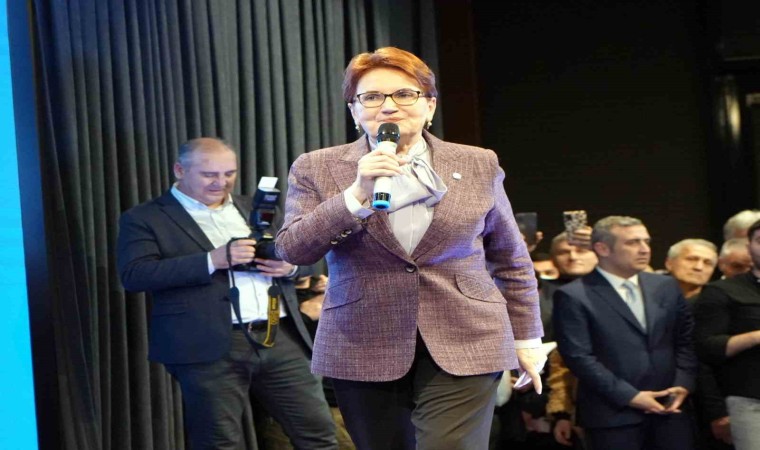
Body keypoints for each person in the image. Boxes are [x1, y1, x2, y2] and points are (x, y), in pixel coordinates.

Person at [275, 47, 544, 450]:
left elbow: (510, 258)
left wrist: (527, 338)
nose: (389, 106)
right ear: (354, 111)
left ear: (429, 105)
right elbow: (292, 249)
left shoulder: (479, 163)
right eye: (372, 97)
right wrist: (355, 196)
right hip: (362, 339)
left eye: (404, 94)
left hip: (468, 334)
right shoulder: (316, 167)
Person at [117, 138, 337, 450]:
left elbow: (305, 255)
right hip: (206, 344)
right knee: (219, 442)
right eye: (209, 174)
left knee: (319, 435)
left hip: (279, 335)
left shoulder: (255, 208)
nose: (220, 183)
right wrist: (211, 261)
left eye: (229, 173)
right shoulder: (145, 217)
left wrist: (290, 267)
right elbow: (134, 274)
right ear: (179, 170)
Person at [553, 215, 697, 450]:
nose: (644, 249)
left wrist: (683, 384)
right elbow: (578, 357)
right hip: (612, 415)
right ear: (602, 248)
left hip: (671, 409)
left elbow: (685, 341)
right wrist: (630, 396)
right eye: (632, 242)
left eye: (646, 241)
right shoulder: (574, 295)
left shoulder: (666, 286)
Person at [694, 219, 760, 450]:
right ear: (749, 247)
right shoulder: (723, 291)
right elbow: (706, 348)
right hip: (751, 401)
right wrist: (756, 336)